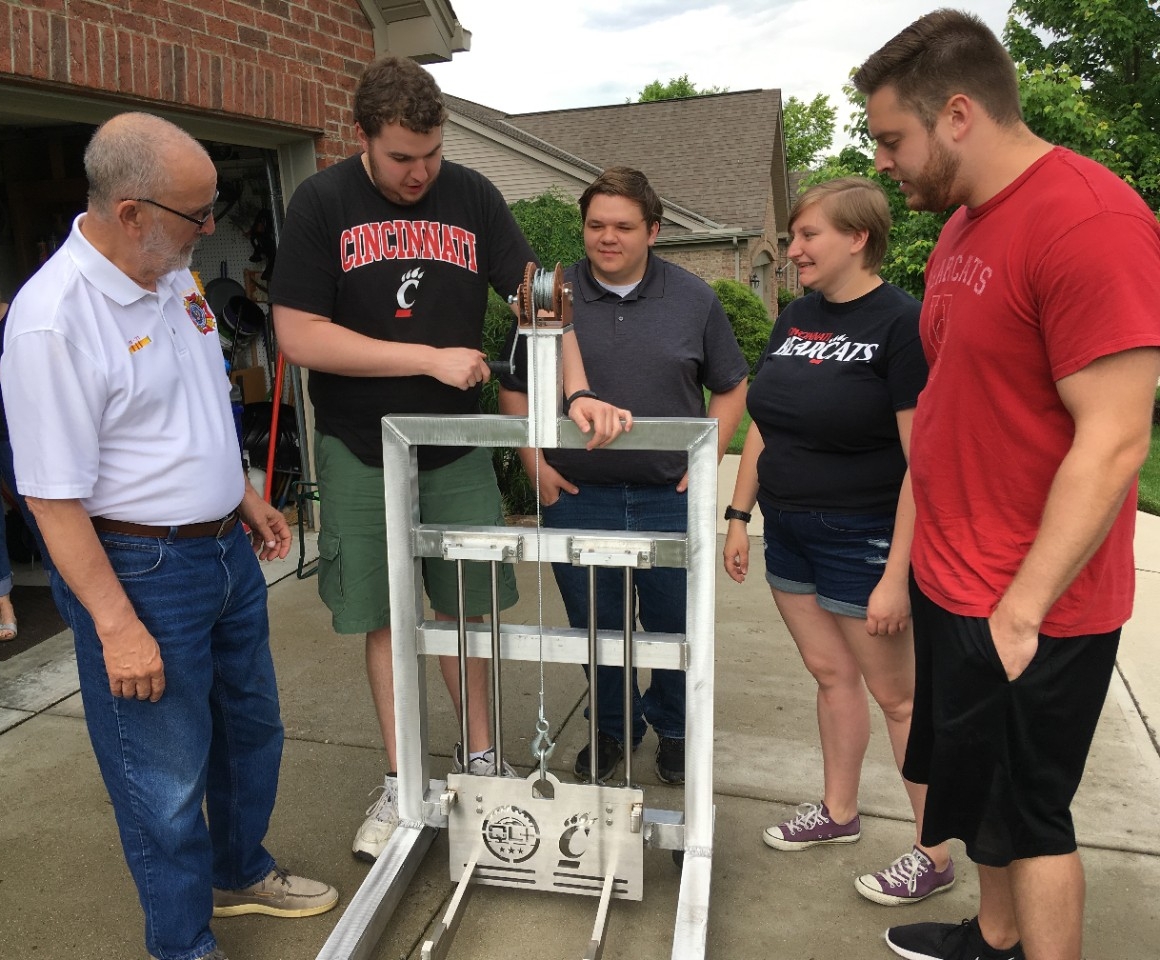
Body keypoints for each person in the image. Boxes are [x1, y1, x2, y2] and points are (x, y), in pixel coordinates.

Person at [852, 10, 1160, 960]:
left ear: (955, 115)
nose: (886, 162)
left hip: (1034, 598)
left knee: (1032, 817)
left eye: (891, 139)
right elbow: (956, 401)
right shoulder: (960, 230)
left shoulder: (1090, 220)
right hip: (957, 575)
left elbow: (1114, 440)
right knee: (974, 788)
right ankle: (992, 938)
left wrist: (1023, 608)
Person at [270, 55, 626, 862]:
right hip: (362, 447)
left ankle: (481, 762)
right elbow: (299, 335)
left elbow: (542, 303)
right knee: (388, 615)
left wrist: (571, 392)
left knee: (468, 611)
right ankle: (404, 782)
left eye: (430, 154)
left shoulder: (471, 195)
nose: (419, 172)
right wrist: (427, 358)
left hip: (458, 446)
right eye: (401, 157)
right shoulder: (321, 202)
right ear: (361, 137)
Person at [0, 113, 338, 960]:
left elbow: (194, 405)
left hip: (222, 548)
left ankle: (238, 870)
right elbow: (51, 500)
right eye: (197, 214)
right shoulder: (53, 322)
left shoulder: (172, 276)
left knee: (252, 730)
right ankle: (182, 945)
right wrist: (117, 628)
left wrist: (244, 491)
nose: (210, 228)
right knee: (164, 777)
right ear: (130, 211)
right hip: (140, 570)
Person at [722, 177, 951, 905]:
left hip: (866, 537)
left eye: (807, 236)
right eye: (793, 238)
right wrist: (739, 514)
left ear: (858, 237)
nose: (793, 251)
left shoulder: (903, 325)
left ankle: (934, 850)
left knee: (901, 698)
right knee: (830, 678)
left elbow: (927, 460)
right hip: (789, 532)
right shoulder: (794, 317)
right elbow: (766, 420)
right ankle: (840, 812)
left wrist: (896, 574)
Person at [500, 167, 748, 785]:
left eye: (624, 227)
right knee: (596, 631)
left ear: (654, 231)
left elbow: (731, 387)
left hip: (669, 498)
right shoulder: (549, 296)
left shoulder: (694, 299)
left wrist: (705, 461)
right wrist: (538, 469)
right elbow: (513, 391)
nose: (607, 238)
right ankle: (614, 729)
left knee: (672, 628)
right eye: (596, 225)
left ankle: (674, 730)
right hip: (579, 497)